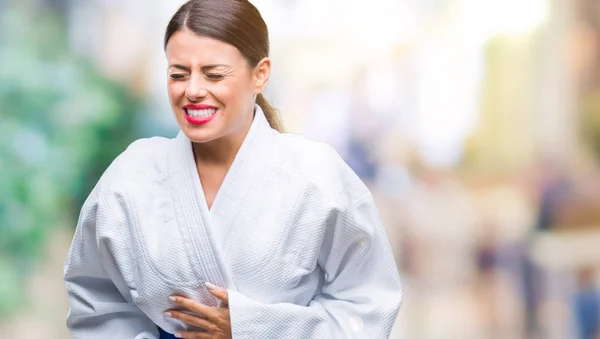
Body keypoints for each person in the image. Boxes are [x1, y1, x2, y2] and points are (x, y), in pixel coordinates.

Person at [63, 1, 402, 338]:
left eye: (214, 74)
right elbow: (94, 297)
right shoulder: (132, 176)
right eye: (178, 74)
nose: (193, 90)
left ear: (260, 74)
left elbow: (367, 305)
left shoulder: (316, 175)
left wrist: (255, 329)